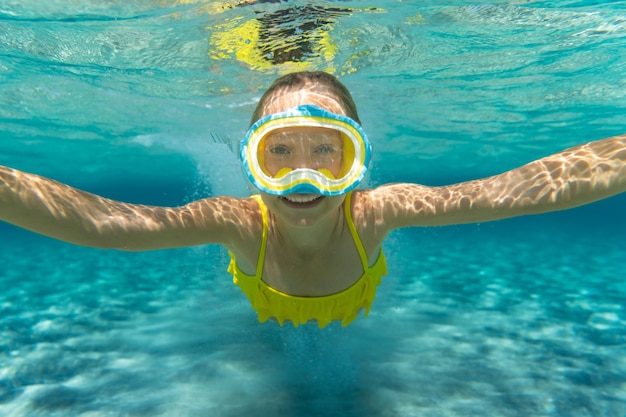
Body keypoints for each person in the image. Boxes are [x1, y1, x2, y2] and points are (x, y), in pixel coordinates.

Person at [1, 71, 625, 328]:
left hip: (358, 294)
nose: (304, 177)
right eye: (279, 151)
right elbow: (105, 224)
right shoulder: (237, 221)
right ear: (250, 164)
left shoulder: (379, 210)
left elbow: (511, 194)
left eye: (329, 151)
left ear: (360, 164)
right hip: (261, 298)